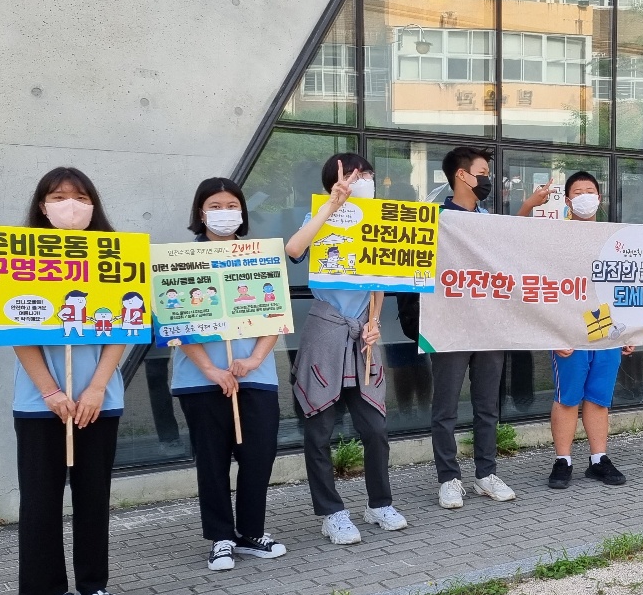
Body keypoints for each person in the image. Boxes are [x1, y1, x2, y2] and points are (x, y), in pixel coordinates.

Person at [11, 167, 124, 595]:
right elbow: (13, 330)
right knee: (41, 497)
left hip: (100, 401)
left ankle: (93, 583)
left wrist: (97, 387)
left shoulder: (115, 256)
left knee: (93, 496)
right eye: (58, 197)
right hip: (40, 404)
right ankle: (47, 591)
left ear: (94, 205)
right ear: (42, 205)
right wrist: (51, 391)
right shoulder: (19, 258)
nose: (70, 205)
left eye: (80, 197)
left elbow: (125, 326)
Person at [285, 153, 407, 543]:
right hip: (326, 331)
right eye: (357, 175)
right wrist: (331, 206)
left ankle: (379, 503)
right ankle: (331, 512)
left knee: (375, 426)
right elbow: (294, 249)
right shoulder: (320, 217)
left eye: (368, 174)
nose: (365, 180)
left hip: (363, 335)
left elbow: (380, 279)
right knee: (319, 428)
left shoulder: (378, 221)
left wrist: (374, 322)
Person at [172, 177, 289, 571]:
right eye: (215, 206)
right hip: (200, 380)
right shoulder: (180, 259)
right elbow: (174, 321)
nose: (224, 213)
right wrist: (209, 368)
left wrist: (254, 359)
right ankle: (221, 536)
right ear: (200, 212)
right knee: (212, 460)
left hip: (256, 376)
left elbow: (276, 313)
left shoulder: (260, 257)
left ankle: (251, 532)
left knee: (259, 456)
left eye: (231, 205)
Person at [519, 171, 633, 489]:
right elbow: (516, 239)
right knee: (568, 397)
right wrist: (528, 204)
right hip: (569, 327)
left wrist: (629, 331)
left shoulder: (614, 238)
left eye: (590, 191)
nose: (585, 197)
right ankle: (563, 460)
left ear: (599, 197)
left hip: (606, 327)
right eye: (578, 192)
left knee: (598, 397)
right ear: (568, 201)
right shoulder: (556, 235)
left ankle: (598, 460)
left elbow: (626, 284)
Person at [427, 147, 516, 508]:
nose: (487, 179)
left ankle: (486, 473)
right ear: (461, 175)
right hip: (448, 326)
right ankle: (448, 478)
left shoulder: (489, 221)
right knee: (445, 409)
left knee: (487, 407)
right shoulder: (435, 220)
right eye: (482, 172)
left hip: (488, 325)